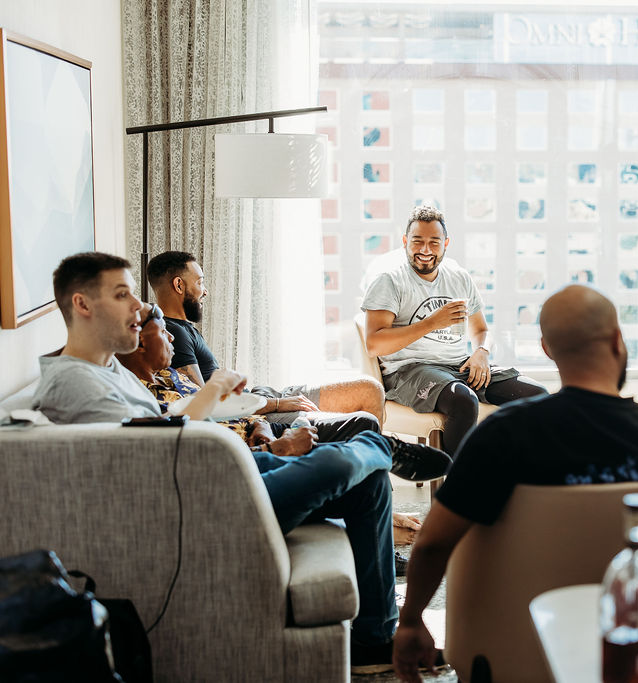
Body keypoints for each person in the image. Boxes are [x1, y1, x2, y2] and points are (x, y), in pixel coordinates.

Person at [33, 252, 450, 674]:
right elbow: (157, 455)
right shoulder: (73, 383)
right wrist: (217, 401)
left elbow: (163, 430)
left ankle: (372, 641)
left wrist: (223, 410)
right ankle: (379, 448)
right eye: (122, 294)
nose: (137, 307)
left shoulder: (106, 369)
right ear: (82, 305)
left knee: (369, 484)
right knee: (345, 465)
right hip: (204, 503)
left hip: (219, 473)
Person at [391, 284, 638, 680]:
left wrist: (411, 621)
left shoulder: (502, 435)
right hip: (626, 655)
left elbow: (432, 543)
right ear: (619, 341)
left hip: (509, 652)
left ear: (547, 349)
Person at [117, 301, 426, 562]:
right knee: (348, 463)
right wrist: (277, 448)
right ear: (140, 340)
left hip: (255, 429)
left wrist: (260, 424)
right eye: (162, 332)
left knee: (362, 425)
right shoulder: (144, 400)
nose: (171, 337)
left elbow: (221, 412)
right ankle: (381, 453)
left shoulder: (170, 376)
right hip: (248, 460)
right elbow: (199, 447)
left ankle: (378, 468)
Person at [362, 205, 547, 454]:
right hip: (410, 371)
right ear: (405, 241)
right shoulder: (390, 281)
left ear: (446, 243)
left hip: (458, 366)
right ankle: (456, 486)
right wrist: (430, 323)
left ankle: (518, 476)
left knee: (538, 395)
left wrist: (481, 352)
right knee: (463, 400)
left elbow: (481, 329)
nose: (425, 250)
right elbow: (374, 343)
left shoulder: (458, 277)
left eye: (434, 242)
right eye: (417, 241)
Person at [146, 250, 385, 426]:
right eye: (199, 282)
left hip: (261, 396)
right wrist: (278, 404)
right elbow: (203, 400)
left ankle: (378, 469)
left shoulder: (183, 328)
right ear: (179, 285)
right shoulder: (172, 333)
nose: (205, 291)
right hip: (259, 409)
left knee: (370, 389)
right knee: (362, 421)